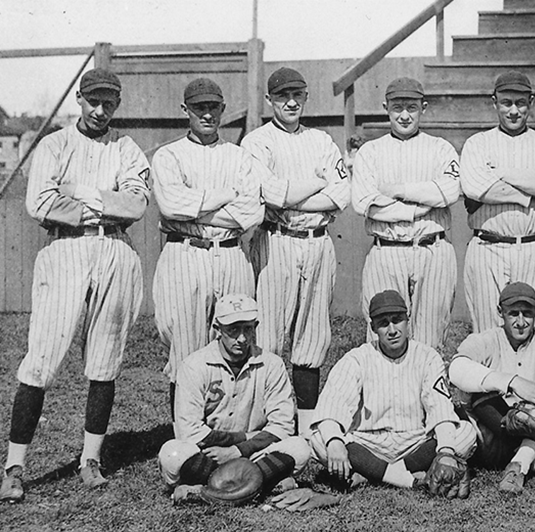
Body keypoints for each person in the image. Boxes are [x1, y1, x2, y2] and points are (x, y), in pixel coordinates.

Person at [0, 68, 150, 502]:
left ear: (117, 105)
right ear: (79, 100)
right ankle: (14, 467)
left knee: (105, 361)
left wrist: (80, 193)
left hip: (115, 251)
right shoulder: (55, 144)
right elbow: (40, 203)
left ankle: (90, 459)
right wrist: (105, 202)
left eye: (109, 103)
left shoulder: (126, 147)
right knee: (42, 358)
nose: (100, 111)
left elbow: (136, 204)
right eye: (93, 101)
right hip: (65, 251)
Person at [242, 67, 350, 436]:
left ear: (305, 97)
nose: (291, 102)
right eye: (283, 96)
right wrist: (319, 184)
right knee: (268, 339)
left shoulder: (321, 140)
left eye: (298, 95)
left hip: (318, 243)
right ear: (270, 100)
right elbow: (272, 194)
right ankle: (265, 427)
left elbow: (342, 194)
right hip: (277, 240)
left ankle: (306, 429)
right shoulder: (257, 142)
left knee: (311, 338)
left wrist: (295, 194)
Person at [152, 77, 263, 394]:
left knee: (237, 343)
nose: (207, 114)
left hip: (230, 253)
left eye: (213, 107)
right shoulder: (169, 155)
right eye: (199, 107)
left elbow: (252, 211)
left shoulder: (239, 156)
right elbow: (172, 206)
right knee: (186, 352)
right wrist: (228, 195)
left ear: (222, 109)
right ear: (185, 109)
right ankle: (185, 439)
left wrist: (197, 206)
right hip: (185, 255)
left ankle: (228, 432)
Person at [309, 290, 477, 496]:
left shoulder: (427, 357)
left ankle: (372, 474)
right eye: (383, 323)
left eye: (397, 320)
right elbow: (332, 407)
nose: (392, 330)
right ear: (373, 328)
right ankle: (408, 478)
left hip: (414, 442)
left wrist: (445, 452)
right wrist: (334, 441)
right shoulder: (357, 358)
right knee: (320, 438)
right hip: (368, 443)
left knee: (465, 434)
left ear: (408, 321)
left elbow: (439, 408)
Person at [156, 294, 310, 502]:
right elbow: (190, 432)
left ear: (256, 325)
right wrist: (243, 439)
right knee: (171, 454)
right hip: (209, 455)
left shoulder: (271, 364)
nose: (242, 338)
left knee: (299, 448)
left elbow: (282, 426)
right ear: (217, 329)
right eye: (233, 330)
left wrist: (238, 450)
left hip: (253, 453)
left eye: (248, 328)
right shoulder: (194, 365)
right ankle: (260, 486)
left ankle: (204, 492)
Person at [448, 282, 535, 494]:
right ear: (500, 312)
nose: (521, 322)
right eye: (513, 313)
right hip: (493, 442)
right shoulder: (486, 339)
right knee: (480, 388)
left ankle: (520, 463)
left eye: (527, 313)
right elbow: (457, 369)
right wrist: (512, 382)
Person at [351, 77, 460, 348]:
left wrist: (396, 190)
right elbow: (364, 202)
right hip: (387, 250)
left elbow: (448, 193)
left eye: (411, 107)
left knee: (431, 337)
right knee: (383, 337)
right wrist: (419, 208)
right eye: (397, 107)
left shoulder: (441, 148)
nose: (404, 115)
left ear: (423, 107)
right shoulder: (370, 151)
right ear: (385, 107)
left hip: (431, 249)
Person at [460, 71, 535, 331]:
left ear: (531, 102)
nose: (514, 110)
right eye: (506, 102)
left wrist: (499, 172)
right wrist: (528, 194)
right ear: (494, 102)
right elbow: (474, 188)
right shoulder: (478, 143)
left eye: (520, 102)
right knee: (487, 330)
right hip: (488, 247)